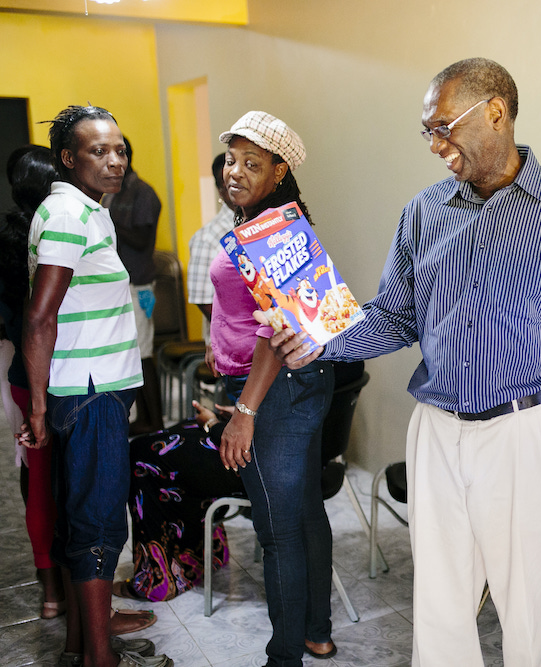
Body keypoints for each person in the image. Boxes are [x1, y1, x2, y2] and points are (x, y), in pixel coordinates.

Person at [269, 58, 541, 667]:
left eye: (443, 127)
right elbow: (395, 316)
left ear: (495, 112)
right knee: (439, 611)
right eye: (427, 132)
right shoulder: (423, 213)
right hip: (437, 432)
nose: (435, 145)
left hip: (526, 432)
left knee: (531, 616)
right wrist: (323, 340)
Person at [21, 104, 172, 667]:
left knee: (80, 512)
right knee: (99, 521)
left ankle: (83, 644)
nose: (115, 161)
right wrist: (38, 406)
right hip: (90, 391)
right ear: (67, 158)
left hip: (95, 386)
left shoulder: (87, 210)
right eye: (98, 151)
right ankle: (101, 659)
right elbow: (40, 316)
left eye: (120, 150)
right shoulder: (68, 214)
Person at [210, 110, 338, 667]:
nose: (235, 172)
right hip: (294, 381)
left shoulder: (271, 231)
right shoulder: (275, 223)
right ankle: (316, 632)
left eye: (252, 163)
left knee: (278, 530)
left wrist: (245, 410)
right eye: (231, 160)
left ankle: (284, 658)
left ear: (279, 171)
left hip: (272, 387)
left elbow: (275, 331)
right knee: (305, 512)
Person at [1, 145, 64, 619]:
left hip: (21, 375)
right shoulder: (51, 237)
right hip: (55, 375)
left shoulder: (7, 239)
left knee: (36, 476)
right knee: (67, 481)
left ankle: (51, 590)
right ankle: (76, 589)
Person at [113, 400, 243, 602]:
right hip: (265, 445)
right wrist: (240, 414)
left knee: (142, 452)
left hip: (255, 462)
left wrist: (214, 424)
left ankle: (155, 579)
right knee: (190, 425)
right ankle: (206, 552)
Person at [104, 137, 164, 435]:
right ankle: (143, 419)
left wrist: (108, 220)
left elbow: (141, 240)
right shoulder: (112, 191)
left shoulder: (143, 192)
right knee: (132, 352)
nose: (108, 160)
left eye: (116, 153)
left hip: (138, 284)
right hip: (120, 284)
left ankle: (156, 421)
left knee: (143, 352)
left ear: (126, 156)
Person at [187, 153, 235, 342]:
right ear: (221, 190)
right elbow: (204, 301)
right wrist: (240, 330)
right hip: (230, 344)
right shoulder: (207, 238)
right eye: (230, 183)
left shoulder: (265, 224)